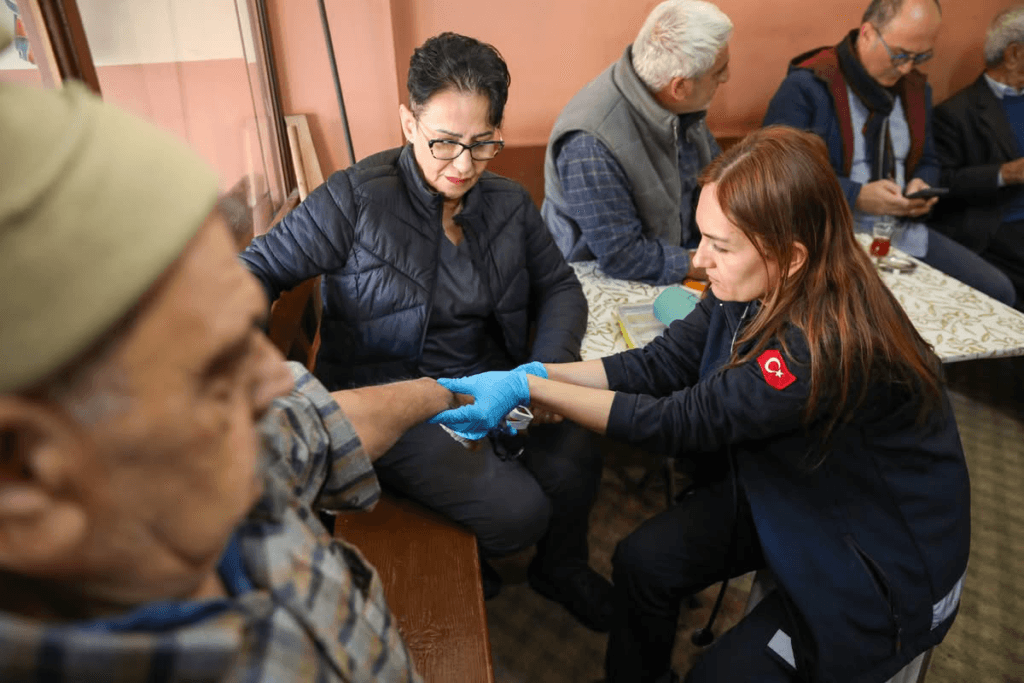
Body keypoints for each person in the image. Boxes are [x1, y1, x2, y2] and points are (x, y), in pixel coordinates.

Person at [0, 24, 473, 681]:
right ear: (28, 478)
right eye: (214, 370)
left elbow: (317, 425)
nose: (277, 380)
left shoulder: (202, 453)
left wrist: (444, 391)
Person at [431, 126, 971, 683]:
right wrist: (536, 374)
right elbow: (659, 365)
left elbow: (682, 421)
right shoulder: (747, 285)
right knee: (644, 562)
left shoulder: (821, 342)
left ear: (790, 256)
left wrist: (532, 391)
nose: (701, 258)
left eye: (721, 245)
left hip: (878, 558)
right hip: (795, 487)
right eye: (702, 237)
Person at [240, 33, 612, 630]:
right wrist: (242, 365)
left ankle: (559, 568)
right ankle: (461, 531)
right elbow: (255, 269)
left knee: (576, 453)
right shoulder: (355, 200)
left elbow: (560, 288)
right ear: (408, 123)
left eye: (482, 144)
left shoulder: (508, 203)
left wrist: (543, 369)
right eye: (443, 142)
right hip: (398, 399)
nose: (463, 165)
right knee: (517, 513)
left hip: (496, 381)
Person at [763, 0, 1017, 306]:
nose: (907, 68)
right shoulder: (808, 85)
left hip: (900, 231)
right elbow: (778, 174)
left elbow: (929, 160)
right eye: (900, 54)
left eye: (920, 57)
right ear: (868, 33)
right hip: (834, 235)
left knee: (998, 290)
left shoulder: (915, 89)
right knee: (885, 309)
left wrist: (922, 185)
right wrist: (857, 195)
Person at [541, 0, 732, 285]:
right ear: (679, 87)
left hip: (678, 257)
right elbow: (622, 256)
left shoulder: (678, 103)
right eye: (719, 71)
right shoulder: (590, 144)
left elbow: (717, 182)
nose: (727, 77)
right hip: (594, 277)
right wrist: (705, 264)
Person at [930, 5, 1024, 309]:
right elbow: (941, 183)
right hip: (997, 225)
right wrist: (1005, 173)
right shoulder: (956, 113)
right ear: (1014, 54)